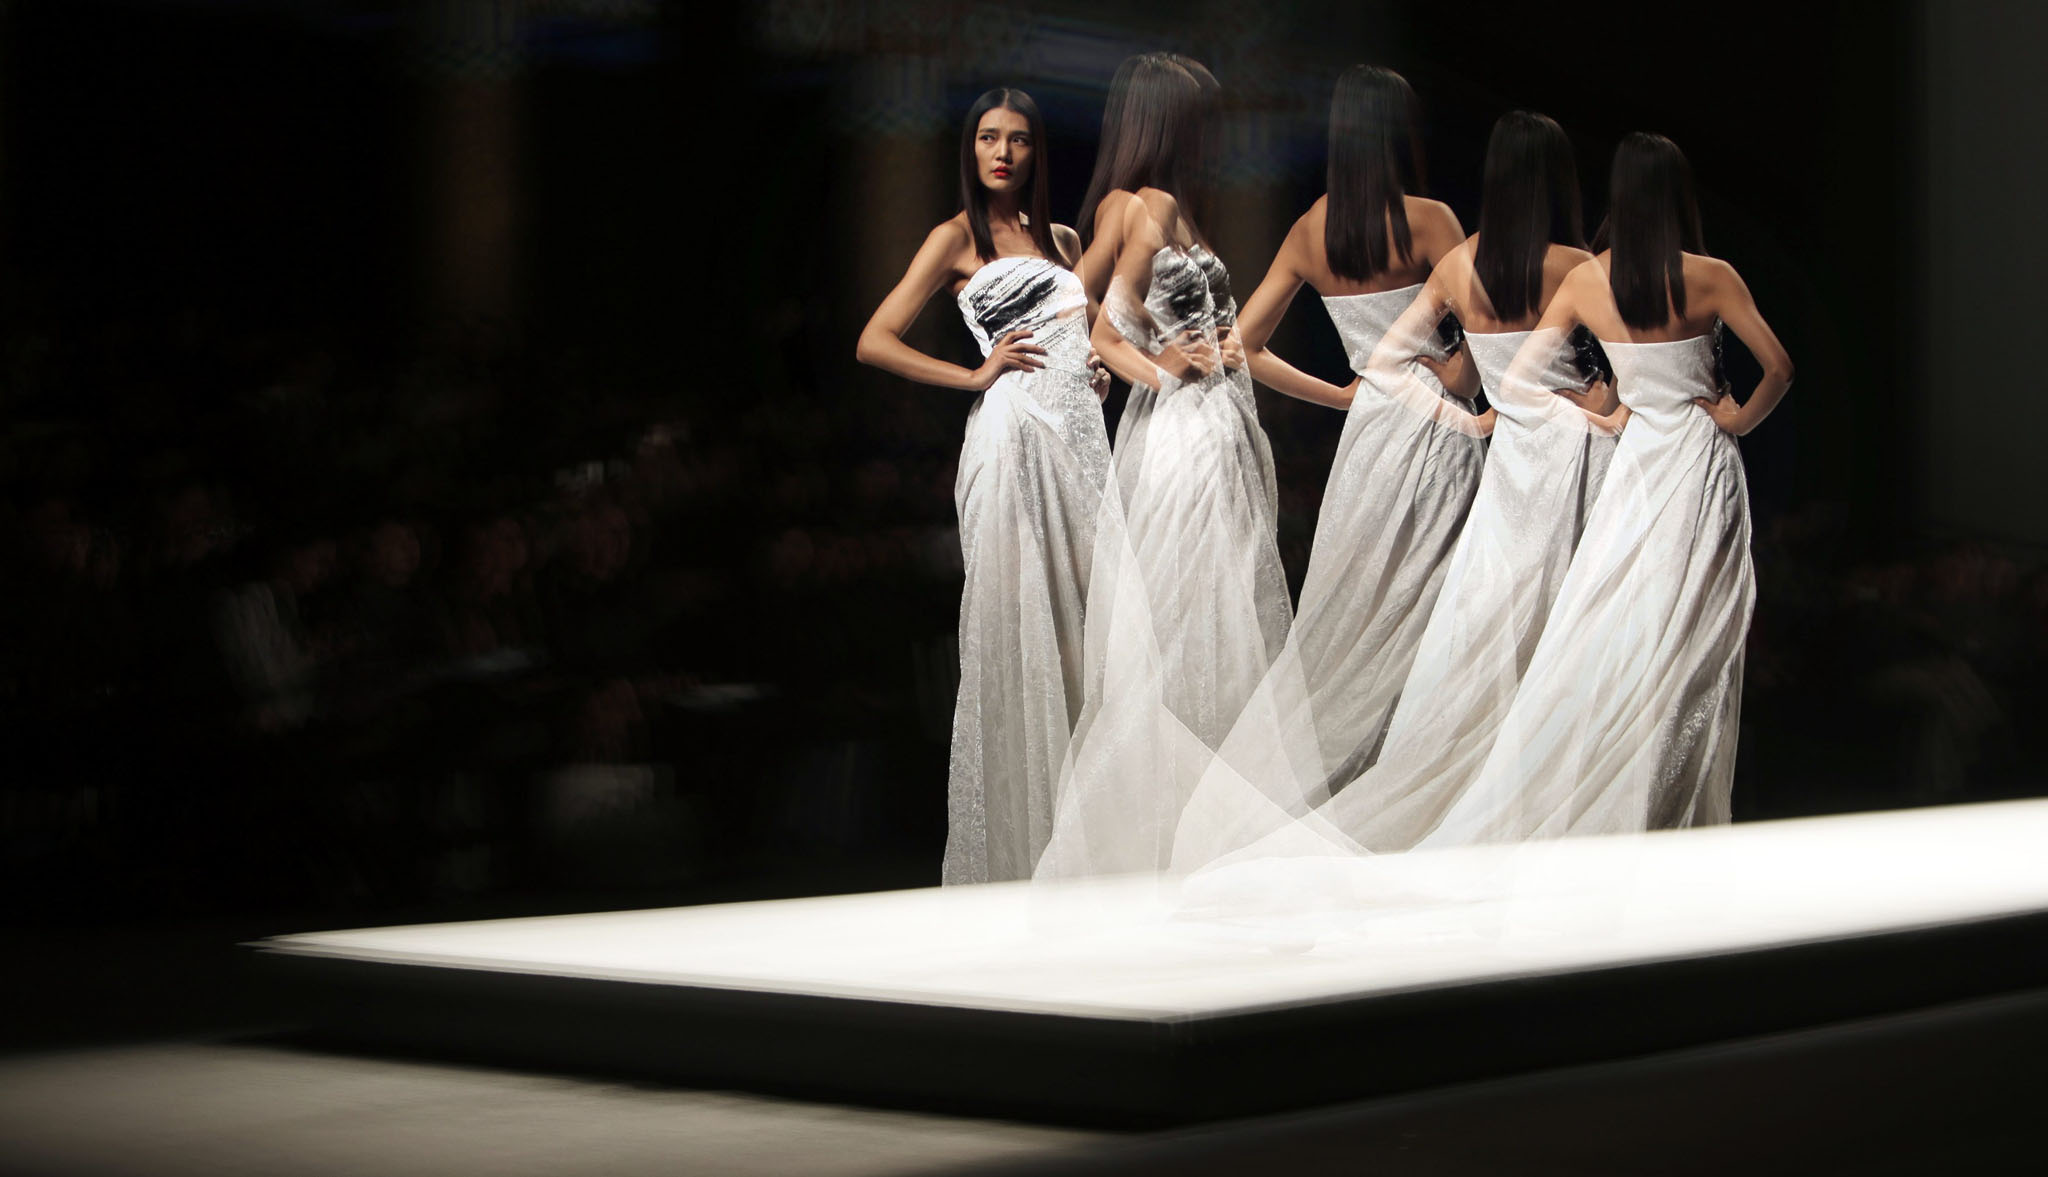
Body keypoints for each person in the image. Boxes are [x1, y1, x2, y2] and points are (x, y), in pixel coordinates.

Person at [855, 88, 1113, 884]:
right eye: (988, 138)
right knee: (1020, 625)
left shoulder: (1064, 240)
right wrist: (973, 374)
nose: (1003, 152)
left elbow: (1082, 337)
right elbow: (874, 339)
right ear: (970, 149)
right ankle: (1022, 847)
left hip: (1079, 439)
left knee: (1090, 628)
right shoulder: (953, 237)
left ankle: (1089, 838)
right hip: (1011, 437)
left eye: (1019, 139)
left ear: (1037, 152)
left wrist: (1095, 371)